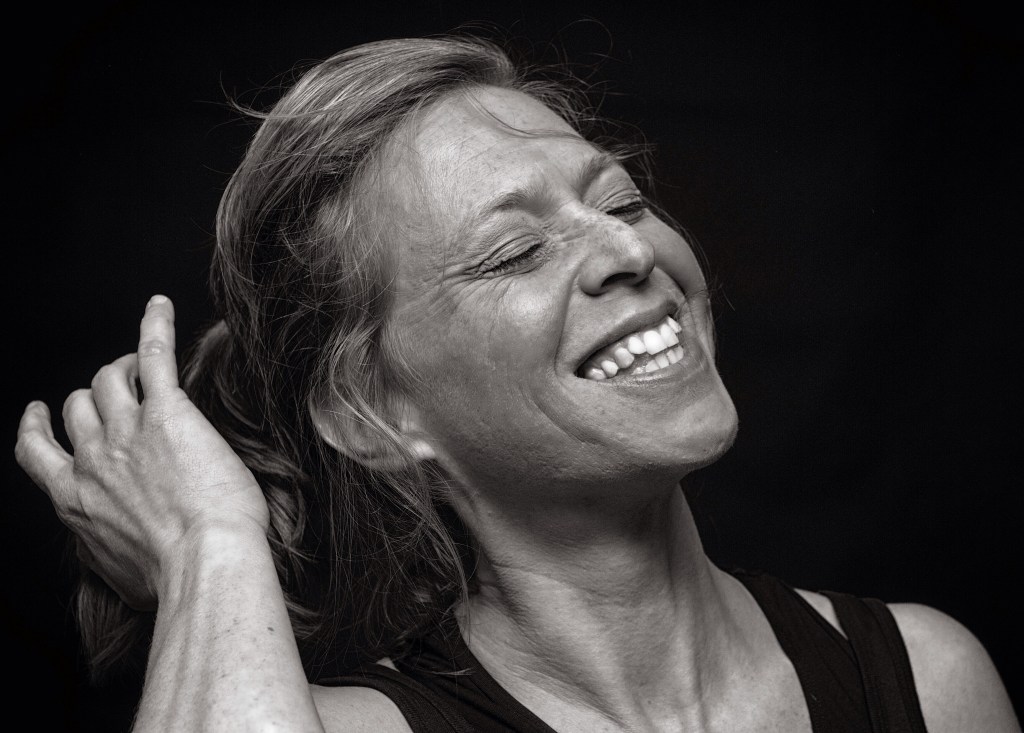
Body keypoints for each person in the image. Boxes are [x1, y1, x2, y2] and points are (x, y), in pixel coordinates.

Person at [14, 35, 1020, 733]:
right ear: (373, 412)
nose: (626, 248)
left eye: (618, 195)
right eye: (513, 252)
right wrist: (208, 545)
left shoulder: (925, 681)